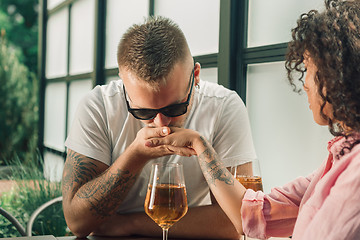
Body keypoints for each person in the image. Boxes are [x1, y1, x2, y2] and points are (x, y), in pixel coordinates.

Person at [146, 0, 360, 239]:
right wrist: (201, 146)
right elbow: (253, 214)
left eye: (309, 67)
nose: (305, 83)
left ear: (339, 74)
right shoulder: (341, 154)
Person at [62, 16, 257, 239]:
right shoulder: (98, 106)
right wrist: (136, 155)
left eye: (175, 108)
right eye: (143, 112)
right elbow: (77, 222)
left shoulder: (224, 106)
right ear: (124, 84)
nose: (161, 123)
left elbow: (238, 223)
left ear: (195, 76)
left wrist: (129, 224)